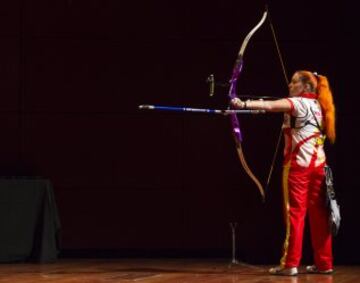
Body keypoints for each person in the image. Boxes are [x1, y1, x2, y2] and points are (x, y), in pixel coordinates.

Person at [231, 70, 336, 276]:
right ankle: (325, 263)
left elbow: (271, 105)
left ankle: (290, 264)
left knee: (294, 214)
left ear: (306, 87)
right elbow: (275, 107)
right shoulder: (320, 106)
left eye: (294, 83)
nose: (290, 86)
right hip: (319, 167)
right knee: (319, 216)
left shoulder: (297, 103)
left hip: (298, 168)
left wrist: (243, 104)